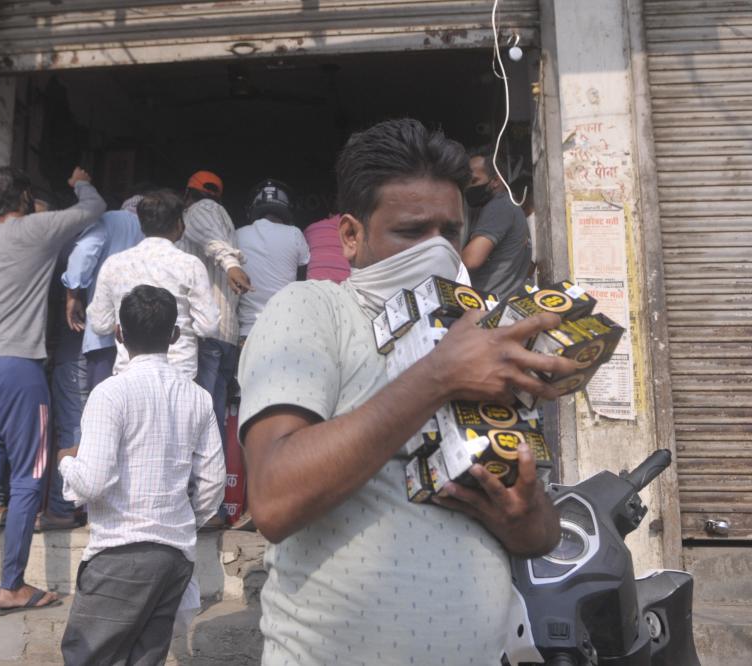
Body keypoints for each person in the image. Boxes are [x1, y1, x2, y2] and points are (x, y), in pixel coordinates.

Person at [236, 119, 577, 663]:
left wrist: (524, 517)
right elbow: (273, 500)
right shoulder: (315, 310)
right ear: (351, 235)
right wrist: (438, 375)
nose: (437, 251)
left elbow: (539, 536)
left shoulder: (480, 343)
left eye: (450, 231)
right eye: (412, 231)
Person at [0, 165, 105, 614]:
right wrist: (78, 178)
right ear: (23, 195)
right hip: (18, 368)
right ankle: (13, 586)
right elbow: (94, 208)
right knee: (29, 475)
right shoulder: (36, 228)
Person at [58, 285, 226, 665]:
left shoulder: (110, 394)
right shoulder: (198, 396)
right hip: (173, 556)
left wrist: (66, 462)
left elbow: (93, 481)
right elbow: (214, 481)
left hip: (120, 553)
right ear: (175, 336)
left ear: (118, 333)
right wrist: (182, 520)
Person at [87, 189, 219, 378]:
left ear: (142, 225)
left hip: (128, 374)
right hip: (179, 374)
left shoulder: (114, 264)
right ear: (179, 224)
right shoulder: (190, 265)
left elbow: (100, 324)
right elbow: (209, 326)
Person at [180, 171, 251, 436]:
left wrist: (231, 266)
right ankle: (211, 477)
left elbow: (213, 242)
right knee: (212, 418)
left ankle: (196, 478)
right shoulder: (224, 218)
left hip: (208, 332)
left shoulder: (201, 210)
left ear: (188, 194)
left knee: (199, 418)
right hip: (225, 333)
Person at [38, 188, 90, 532]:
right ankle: (68, 504)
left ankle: (62, 506)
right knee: (74, 430)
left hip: (71, 356)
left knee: (70, 430)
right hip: (73, 356)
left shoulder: (66, 252)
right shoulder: (71, 250)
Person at [63, 205, 144, 390]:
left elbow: (83, 254)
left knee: (103, 408)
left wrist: (72, 295)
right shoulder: (159, 229)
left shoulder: (108, 219)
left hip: (103, 337)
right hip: (144, 341)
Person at [235, 179, 310, 339]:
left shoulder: (238, 234)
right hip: (285, 329)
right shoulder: (295, 233)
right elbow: (303, 279)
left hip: (247, 332)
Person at [461, 146, 533, 299]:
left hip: (486, 304)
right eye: (466, 182)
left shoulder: (499, 206)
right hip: (501, 301)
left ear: (495, 180)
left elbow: (470, 260)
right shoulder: (511, 208)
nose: (468, 187)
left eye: (474, 181)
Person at [303, 214, 351, 283]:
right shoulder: (356, 231)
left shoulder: (310, 229)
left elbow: (301, 258)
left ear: (330, 215)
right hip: (346, 286)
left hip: (315, 285)